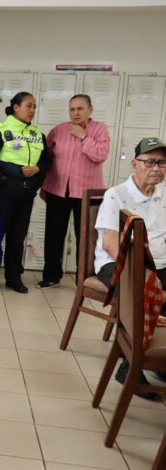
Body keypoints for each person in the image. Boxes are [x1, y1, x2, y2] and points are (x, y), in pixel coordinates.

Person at [94, 137, 166, 400]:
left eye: (162, 162)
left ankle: (159, 359)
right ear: (135, 163)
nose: (156, 167)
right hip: (120, 261)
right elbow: (112, 244)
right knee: (142, 295)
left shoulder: (164, 194)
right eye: (150, 161)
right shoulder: (117, 195)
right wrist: (144, 273)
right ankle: (129, 367)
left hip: (158, 262)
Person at [0, 92, 52, 295]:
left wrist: (37, 169)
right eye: (29, 106)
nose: (32, 110)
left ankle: (13, 278)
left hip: (25, 196)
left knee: (17, 239)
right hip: (1, 194)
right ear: (16, 107)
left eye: (35, 106)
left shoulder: (37, 134)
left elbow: (47, 161)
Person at [39, 94, 110, 289]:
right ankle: (51, 276)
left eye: (80, 108)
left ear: (90, 110)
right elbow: (46, 158)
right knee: (53, 234)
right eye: (72, 109)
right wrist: (44, 185)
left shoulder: (99, 129)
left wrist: (83, 136)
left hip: (88, 195)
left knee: (86, 238)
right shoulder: (59, 130)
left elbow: (100, 155)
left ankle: (83, 279)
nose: (76, 113)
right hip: (57, 190)